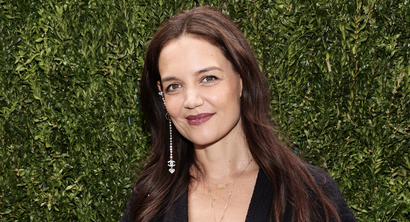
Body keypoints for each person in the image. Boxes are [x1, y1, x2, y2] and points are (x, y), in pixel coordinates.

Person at [121, 6, 357, 222]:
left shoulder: (309, 194)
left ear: (241, 79)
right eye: (175, 86)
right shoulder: (149, 199)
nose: (191, 100)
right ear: (162, 95)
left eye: (208, 78)